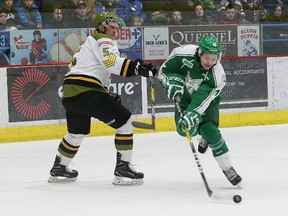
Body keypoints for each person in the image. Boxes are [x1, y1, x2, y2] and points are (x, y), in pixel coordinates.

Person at [48, 12, 157, 185]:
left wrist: (104, 93)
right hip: (86, 90)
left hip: (71, 93)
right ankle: (123, 169)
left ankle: (59, 168)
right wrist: (137, 67)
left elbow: (94, 71)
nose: (116, 31)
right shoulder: (102, 40)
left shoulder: (89, 44)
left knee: (76, 133)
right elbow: (112, 63)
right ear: (101, 26)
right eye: (112, 27)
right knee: (125, 122)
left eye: (117, 28)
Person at [158, 36, 242, 186]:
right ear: (199, 53)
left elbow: (203, 99)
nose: (210, 62)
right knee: (183, 130)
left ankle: (228, 168)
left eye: (213, 58)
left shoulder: (217, 76)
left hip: (207, 103)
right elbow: (164, 72)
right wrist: (169, 83)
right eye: (207, 58)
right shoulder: (181, 53)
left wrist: (193, 114)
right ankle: (200, 134)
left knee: (211, 131)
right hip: (184, 100)